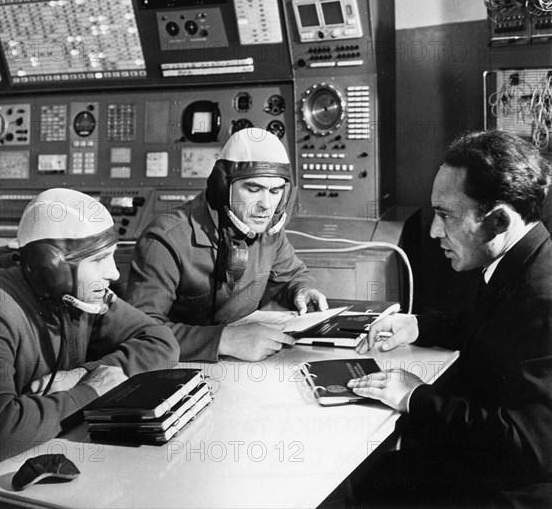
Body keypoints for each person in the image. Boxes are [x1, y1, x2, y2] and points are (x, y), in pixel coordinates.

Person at [348, 130, 552, 507]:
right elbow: (496, 329)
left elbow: (529, 446)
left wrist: (415, 396)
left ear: (497, 222)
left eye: (445, 215)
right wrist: (420, 325)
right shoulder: (526, 262)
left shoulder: (543, 299)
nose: (433, 230)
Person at [0, 188, 180, 464]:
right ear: (51, 269)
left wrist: (81, 375)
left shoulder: (79, 294)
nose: (113, 273)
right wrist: (91, 391)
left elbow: (161, 341)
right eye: (99, 259)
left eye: (112, 255)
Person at [126, 128, 328, 362]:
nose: (266, 205)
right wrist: (224, 339)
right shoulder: (166, 237)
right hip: (174, 365)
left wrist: (302, 289)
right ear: (222, 187)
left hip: (241, 364)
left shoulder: (268, 229)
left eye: (275, 191)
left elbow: (292, 276)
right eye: (254, 189)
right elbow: (139, 332)